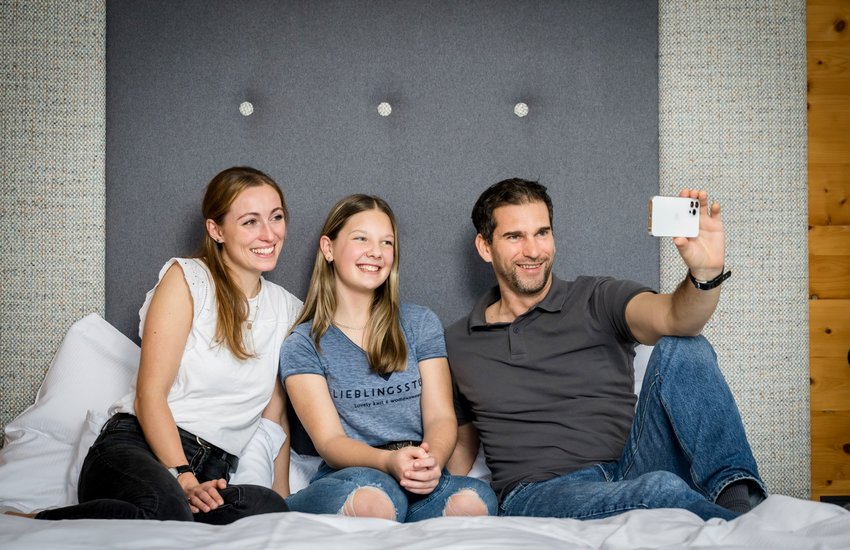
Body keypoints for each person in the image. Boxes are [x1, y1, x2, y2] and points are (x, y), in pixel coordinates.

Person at [445, 178, 767, 521]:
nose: (534, 250)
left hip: (631, 465)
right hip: (538, 492)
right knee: (660, 489)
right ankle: (749, 532)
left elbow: (678, 318)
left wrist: (705, 273)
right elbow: (461, 446)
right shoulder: (457, 341)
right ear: (484, 246)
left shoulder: (597, 297)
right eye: (515, 236)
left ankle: (739, 503)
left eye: (542, 233)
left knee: (685, 347)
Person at [31, 166, 302, 523]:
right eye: (250, 221)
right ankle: (37, 521)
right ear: (216, 230)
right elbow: (150, 395)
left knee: (265, 510)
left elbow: (274, 414)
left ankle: (173, 511)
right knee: (167, 507)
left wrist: (281, 498)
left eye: (276, 217)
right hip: (139, 449)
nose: (269, 234)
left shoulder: (287, 308)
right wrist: (184, 478)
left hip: (213, 469)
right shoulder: (188, 280)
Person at [280, 194, 497, 522]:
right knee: (376, 501)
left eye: (386, 242)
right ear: (328, 248)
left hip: (418, 465)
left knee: (475, 500)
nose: (375, 252)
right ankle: (296, 507)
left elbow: (440, 416)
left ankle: (410, 509)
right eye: (361, 238)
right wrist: (387, 463)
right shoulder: (304, 344)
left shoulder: (419, 323)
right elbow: (329, 441)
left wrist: (432, 461)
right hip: (355, 473)